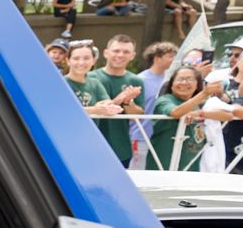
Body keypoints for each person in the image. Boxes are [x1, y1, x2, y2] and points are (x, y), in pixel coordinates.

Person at [88, 35, 146, 167]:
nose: (120, 55)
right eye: (116, 50)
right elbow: (89, 109)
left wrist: (127, 101)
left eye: (126, 52)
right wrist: (118, 99)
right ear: (106, 53)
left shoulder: (135, 81)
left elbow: (138, 115)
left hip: (120, 148)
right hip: (91, 145)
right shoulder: (90, 77)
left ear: (132, 56)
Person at [147, 66, 217, 170]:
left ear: (197, 84)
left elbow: (228, 114)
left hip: (192, 165)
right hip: (164, 165)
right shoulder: (165, 100)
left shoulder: (199, 104)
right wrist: (204, 94)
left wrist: (200, 113)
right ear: (171, 84)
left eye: (190, 79)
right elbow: (176, 112)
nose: (184, 83)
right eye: (180, 79)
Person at [133, 41, 178, 169]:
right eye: (170, 56)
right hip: (141, 134)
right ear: (157, 58)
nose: (173, 60)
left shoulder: (172, 80)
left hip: (161, 135)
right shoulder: (141, 79)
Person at [64, 41, 121, 119]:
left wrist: (106, 106)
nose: (81, 63)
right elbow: (60, 110)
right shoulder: (60, 83)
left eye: (86, 58)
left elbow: (107, 103)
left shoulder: (95, 83)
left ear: (93, 61)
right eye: (76, 58)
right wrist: (93, 110)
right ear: (68, 61)